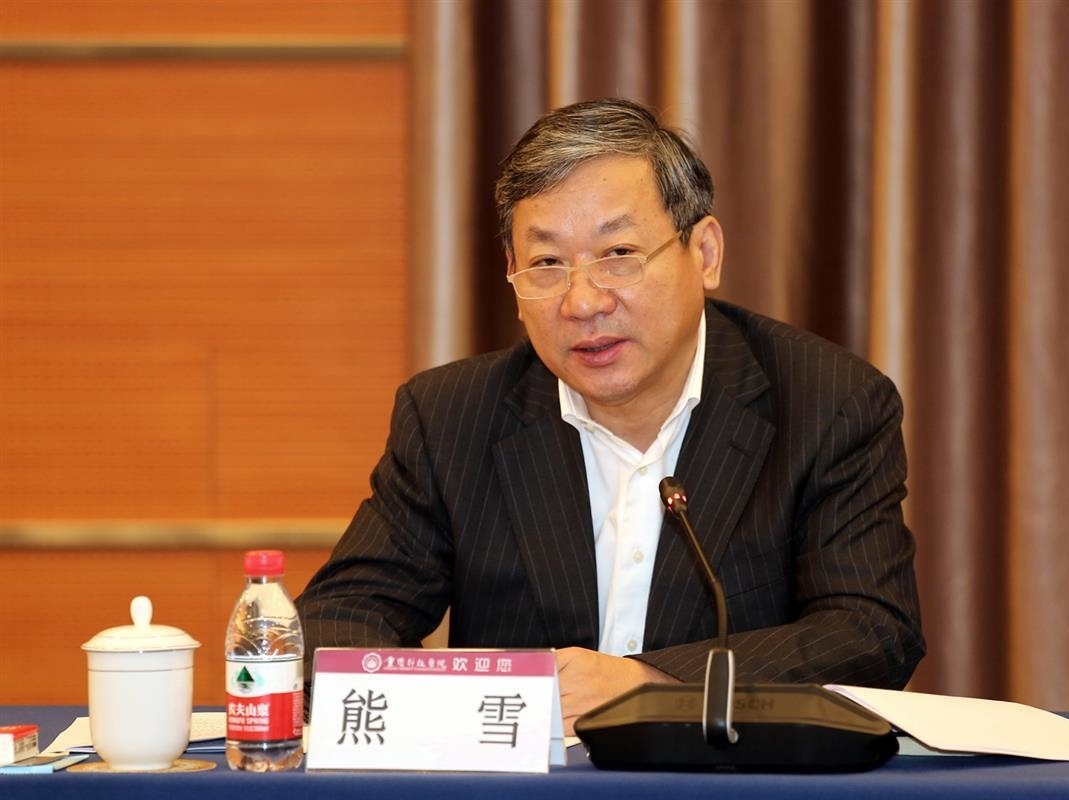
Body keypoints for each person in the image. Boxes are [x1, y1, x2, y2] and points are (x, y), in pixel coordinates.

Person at [296, 98, 924, 733]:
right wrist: (455, 712)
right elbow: (337, 622)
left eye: (618, 252)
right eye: (547, 264)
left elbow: (870, 632)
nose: (583, 301)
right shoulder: (451, 417)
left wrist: (656, 687)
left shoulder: (826, 404)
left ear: (705, 253)